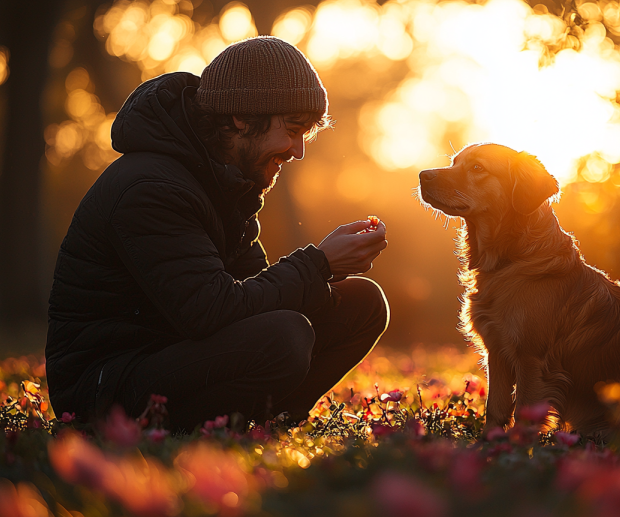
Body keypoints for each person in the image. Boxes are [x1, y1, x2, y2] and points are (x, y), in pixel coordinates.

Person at [45, 37, 389, 432]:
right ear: (241, 118)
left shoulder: (226, 182)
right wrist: (318, 262)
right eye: (293, 130)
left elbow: (252, 294)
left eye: (305, 135)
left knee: (362, 303)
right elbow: (209, 311)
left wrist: (326, 270)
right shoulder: (151, 188)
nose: (298, 151)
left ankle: (269, 423)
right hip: (107, 388)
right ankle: (206, 430)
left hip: (176, 355)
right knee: (284, 337)